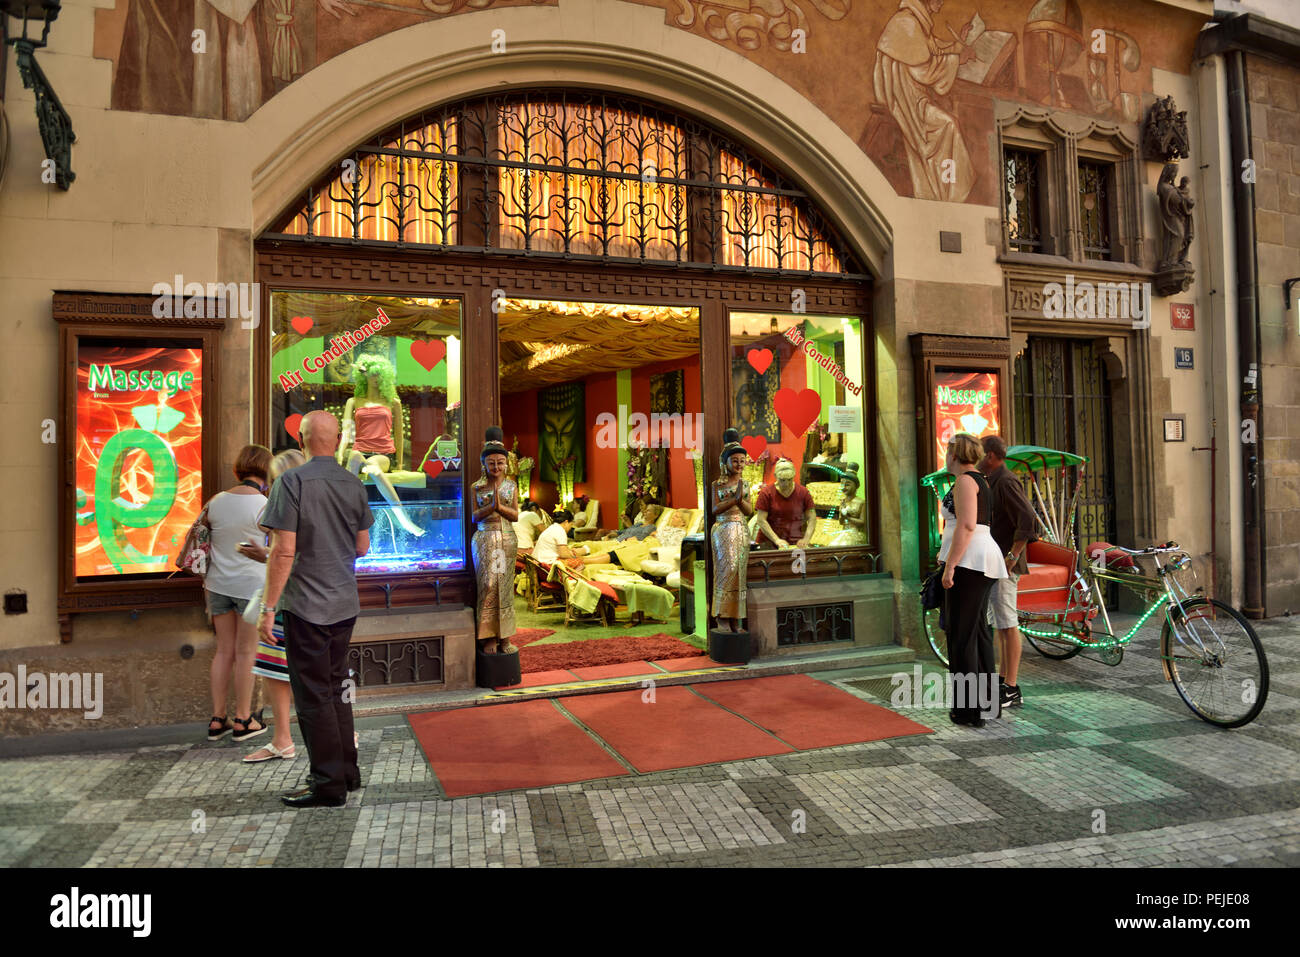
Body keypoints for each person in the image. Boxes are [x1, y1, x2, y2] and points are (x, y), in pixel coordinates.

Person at [258, 410, 373, 808]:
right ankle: (347, 772)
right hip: (344, 603)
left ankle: (327, 784)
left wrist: (267, 607)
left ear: (303, 439)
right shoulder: (353, 484)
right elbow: (362, 548)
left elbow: (283, 550)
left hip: (306, 606)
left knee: (313, 697)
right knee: (339, 688)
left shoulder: (291, 481)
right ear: (337, 438)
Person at [236, 449, 306, 763]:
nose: (271, 486)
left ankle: (284, 740)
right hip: (317, 600)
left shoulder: (289, 502)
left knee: (279, 673)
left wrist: (268, 607)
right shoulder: (317, 500)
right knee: (309, 672)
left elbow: (285, 554)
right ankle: (289, 739)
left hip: (288, 600)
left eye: (275, 479)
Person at [203, 443, 272, 743]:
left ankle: (218, 718)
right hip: (251, 586)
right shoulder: (265, 505)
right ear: (266, 471)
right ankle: (244, 718)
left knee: (223, 651)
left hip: (217, 584)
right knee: (246, 653)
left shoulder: (216, 501)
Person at [938, 432, 1007, 727]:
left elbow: (966, 526)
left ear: (954, 455)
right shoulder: (980, 480)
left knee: (962, 634)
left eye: (947, 451)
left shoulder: (966, 481)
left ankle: (968, 710)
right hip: (980, 559)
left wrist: (950, 566)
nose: (945, 455)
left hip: (971, 561)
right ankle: (986, 705)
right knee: (977, 632)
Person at [980, 435, 1038, 709]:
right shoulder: (993, 480)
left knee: (1007, 622)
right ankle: (1003, 681)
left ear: (990, 456)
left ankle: (1012, 687)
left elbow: (1027, 518)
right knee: (1001, 625)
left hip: (1004, 562)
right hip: (995, 560)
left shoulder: (1005, 480)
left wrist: (1013, 555)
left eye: (981, 454)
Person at [471, 427, 520, 656]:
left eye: (500, 462)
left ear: (506, 464)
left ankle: (505, 636)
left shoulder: (511, 486)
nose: (496, 467)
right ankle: (487, 636)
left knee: (505, 586)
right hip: (485, 538)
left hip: (507, 539)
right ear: (484, 464)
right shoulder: (478, 487)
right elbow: (474, 516)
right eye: (491, 463)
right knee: (489, 585)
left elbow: (515, 516)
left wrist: (499, 507)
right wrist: (490, 507)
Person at [711, 429, 755, 632]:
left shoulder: (745, 484)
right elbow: (715, 509)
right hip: (723, 529)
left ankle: (736, 617)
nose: (739, 464)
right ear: (725, 463)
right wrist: (734, 499)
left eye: (742, 461)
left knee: (739, 573)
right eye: (735, 460)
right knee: (725, 572)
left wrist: (741, 499)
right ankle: (722, 617)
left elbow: (749, 510)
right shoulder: (717, 484)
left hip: (741, 529)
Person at [755, 458, 816, 549]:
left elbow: (812, 518)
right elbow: (761, 520)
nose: (786, 484)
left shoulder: (803, 492)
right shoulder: (766, 493)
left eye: (790, 480)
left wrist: (806, 539)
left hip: (794, 543)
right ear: (775, 476)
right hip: (768, 542)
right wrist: (776, 540)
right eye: (782, 480)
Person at [533, 510, 614, 568]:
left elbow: (561, 550)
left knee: (574, 553)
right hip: (547, 564)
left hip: (539, 562)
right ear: (566, 522)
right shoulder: (560, 531)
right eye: (571, 525)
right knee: (580, 563)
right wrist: (575, 557)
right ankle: (573, 583)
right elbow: (563, 554)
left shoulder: (552, 528)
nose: (570, 528)